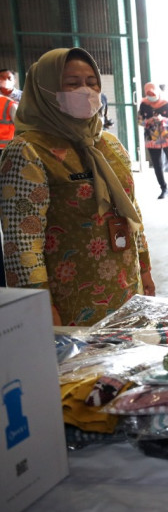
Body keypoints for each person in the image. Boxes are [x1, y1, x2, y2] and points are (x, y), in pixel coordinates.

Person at [0, 48, 155, 326]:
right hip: (69, 304)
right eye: (72, 84)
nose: (86, 90)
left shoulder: (108, 144)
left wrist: (144, 269)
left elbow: (133, 214)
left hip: (125, 291)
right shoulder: (28, 152)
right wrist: (37, 306)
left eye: (92, 82)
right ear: (45, 90)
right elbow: (23, 242)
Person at [139, 82, 168, 199]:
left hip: (167, 137)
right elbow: (139, 121)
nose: (151, 97)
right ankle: (164, 189)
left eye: (153, 94)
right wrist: (147, 121)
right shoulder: (143, 104)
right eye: (148, 94)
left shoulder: (165, 104)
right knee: (157, 165)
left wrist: (162, 119)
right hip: (151, 139)